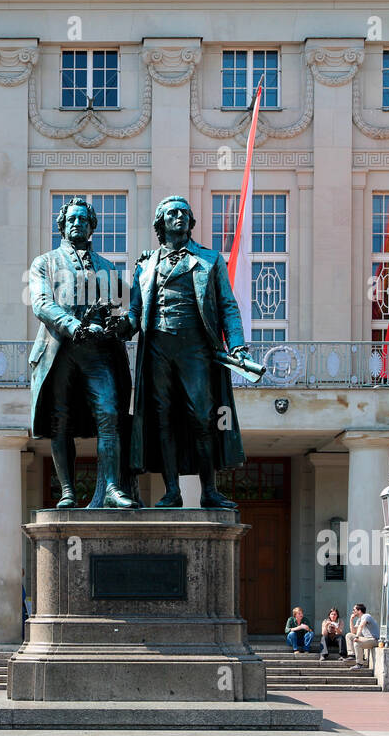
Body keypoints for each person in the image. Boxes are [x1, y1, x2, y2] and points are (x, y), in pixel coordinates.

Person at [118, 194, 248, 508]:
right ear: (161, 222)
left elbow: (228, 307)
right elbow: (135, 311)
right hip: (158, 349)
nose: (179, 217)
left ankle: (209, 491)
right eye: (172, 213)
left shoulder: (209, 260)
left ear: (190, 223)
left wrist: (238, 345)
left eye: (184, 214)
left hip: (196, 349)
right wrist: (120, 326)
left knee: (203, 417)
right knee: (163, 419)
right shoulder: (146, 265)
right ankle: (172, 491)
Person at [29, 196, 135, 509]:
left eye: (83, 219)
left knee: (109, 414)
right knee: (60, 421)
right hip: (60, 350)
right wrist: (75, 326)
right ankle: (67, 491)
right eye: (71, 219)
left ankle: (112, 489)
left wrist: (121, 325)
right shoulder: (44, 263)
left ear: (91, 227)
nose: (77, 224)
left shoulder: (106, 266)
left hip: (98, 353)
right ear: (61, 226)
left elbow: (120, 310)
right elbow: (42, 304)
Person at [348, 603, 379, 669]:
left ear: (359, 611)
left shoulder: (366, 616)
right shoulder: (359, 620)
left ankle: (359, 664)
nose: (353, 611)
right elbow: (353, 631)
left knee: (357, 643)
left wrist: (357, 637)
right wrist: (351, 620)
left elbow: (361, 626)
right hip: (366, 639)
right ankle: (352, 654)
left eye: (354, 610)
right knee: (349, 635)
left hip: (374, 640)